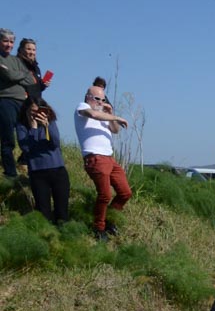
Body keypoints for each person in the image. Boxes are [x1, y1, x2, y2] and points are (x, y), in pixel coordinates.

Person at [74, 82, 131, 240]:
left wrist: (111, 113)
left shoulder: (104, 115)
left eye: (104, 100)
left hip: (109, 158)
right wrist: (116, 117)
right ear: (88, 97)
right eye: (98, 99)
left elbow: (115, 130)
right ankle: (98, 228)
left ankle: (110, 220)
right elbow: (93, 115)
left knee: (125, 192)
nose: (101, 103)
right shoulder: (82, 107)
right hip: (95, 157)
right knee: (105, 194)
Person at [15, 96, 69, 224]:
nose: (35, 115)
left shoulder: (50, 122)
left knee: (62, 212)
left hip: (58, 171)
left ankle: (62, 239)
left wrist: (46, 126)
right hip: (38, 173)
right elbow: (26, 147)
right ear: (26, 111)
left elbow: (55, 143)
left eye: (38, 111)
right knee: (43, 212)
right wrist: (33, 128)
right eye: (32, 111)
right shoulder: (22, 126)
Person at [0, 28, 35, 178]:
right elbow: (7, 74)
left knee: (28, 135)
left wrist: (16, 76)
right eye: (5, 41)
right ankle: (10, 173)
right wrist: (21, 76)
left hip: (22, 102)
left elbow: (31, 80)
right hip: (5, 100)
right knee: (8, 138)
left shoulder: (16, 60)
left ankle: (27, 166)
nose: (9, 44)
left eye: (11, 42)